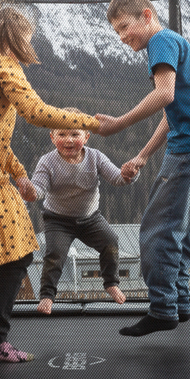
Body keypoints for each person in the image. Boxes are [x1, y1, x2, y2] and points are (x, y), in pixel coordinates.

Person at [0, 6, 99, 362]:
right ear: (11, 35)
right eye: (25, 38)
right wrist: (94, 123)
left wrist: (21, 174)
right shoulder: (3, 66)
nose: (27, 45)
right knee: (19, 253)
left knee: (2, 255)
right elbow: (37, 112)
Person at [95, 0, 190, 336]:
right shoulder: (172, 43)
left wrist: (119, 123)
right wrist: (143, 155)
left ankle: (162, 309)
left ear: (146, 15)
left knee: (158, 230)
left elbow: (164, 94)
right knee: (184, 229)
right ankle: (178, 302)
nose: (124, 37)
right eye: (117, 32)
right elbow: (173, 112)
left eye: (126, 27)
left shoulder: (160, 42)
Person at [29, 109, 136, 315]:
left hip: (90, 218)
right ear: (52, 137)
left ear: (86, 136)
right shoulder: (47, 162)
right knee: (55, 255)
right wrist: (31, 191)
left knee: (111, 242)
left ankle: (111, 283)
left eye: (75, 134)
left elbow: (117, 178)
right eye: (62, 134)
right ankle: (47, 296)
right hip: (57, 220)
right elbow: (39, 188)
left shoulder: (95, 157)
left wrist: (129, 174)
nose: (68, 140)